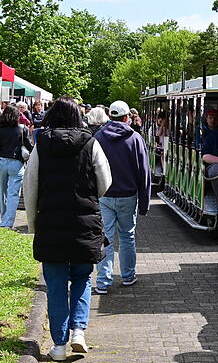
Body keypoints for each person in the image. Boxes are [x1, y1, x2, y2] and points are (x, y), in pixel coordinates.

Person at [23, 97, 112, 361]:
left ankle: (59, 345)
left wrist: (33, 223)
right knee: (83, 278)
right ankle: (79, 332)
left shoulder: (42, 144)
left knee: (56, 285)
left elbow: (30, 187)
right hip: (85, 223)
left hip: (51, 223)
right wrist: (89, 195)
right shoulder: (91, 142)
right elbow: (106, 182)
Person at [93, 100, 150, 295]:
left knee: (105, 237)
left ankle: (102, 281)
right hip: (128, 195)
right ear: (127, 118)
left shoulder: (98, 137)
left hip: (104, 194)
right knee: (127, 237)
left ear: (110, 116)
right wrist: (144, 202)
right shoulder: (135, 139)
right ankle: (128, 276)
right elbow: (144, 172)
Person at [0, 105, 33, 229]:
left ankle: (3, 219)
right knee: (13, 194)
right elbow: (29, 146)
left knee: (2, 192)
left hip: (1, 162)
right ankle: (8, 223)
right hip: (16, 163)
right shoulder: (22, 129)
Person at [200, 109, 218, 199]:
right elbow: (205, 156)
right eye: (210, 117)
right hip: (212, 164)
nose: (213, 120)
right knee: (216, 169)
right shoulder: (209, 136)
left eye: (215, 118)